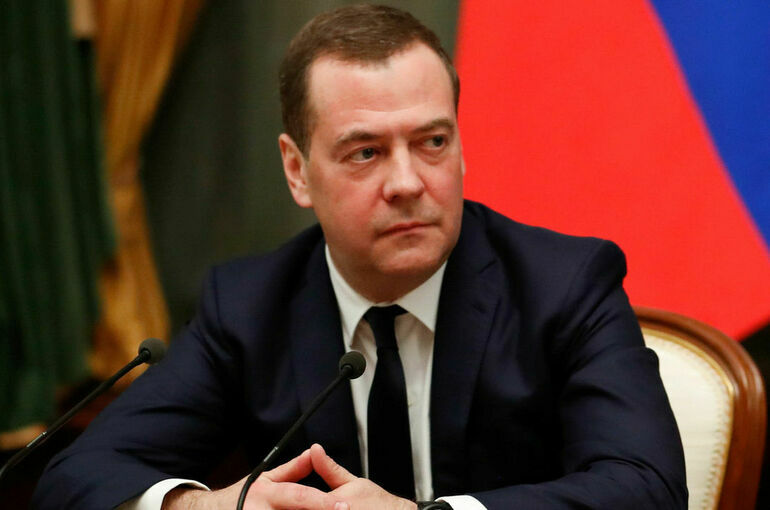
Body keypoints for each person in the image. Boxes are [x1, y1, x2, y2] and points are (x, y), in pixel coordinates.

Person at [33, 4, 687, 509]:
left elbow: (647, 487)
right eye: (365, 152)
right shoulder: (249, 307)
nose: (407, 182)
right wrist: (198, 504)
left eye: (432, 142)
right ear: (297, 170)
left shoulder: (564, 286)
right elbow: (76, 476)